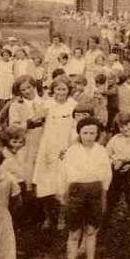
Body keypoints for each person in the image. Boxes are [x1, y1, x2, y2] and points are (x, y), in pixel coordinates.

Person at [60, 117, 112, 259]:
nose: (88, 137)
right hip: (76, 192)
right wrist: (65, 195)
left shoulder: (102, 151)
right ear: (79, 133)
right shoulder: (72, 152)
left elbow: (106, 175)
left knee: (91, 231)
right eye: (85, 133)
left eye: (92, 133)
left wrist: (103, 196)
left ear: (97, 134)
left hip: (95, 192)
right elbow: (65, 175)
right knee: (74, 233)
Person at [32, 77, 76, 230]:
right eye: (58, 89)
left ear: (68, 90)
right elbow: (35, 117)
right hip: (48, 145)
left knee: (63, 183)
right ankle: (47, 217)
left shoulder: (73, 105)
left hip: (65, 146)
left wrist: (70, 147)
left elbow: (75, 128)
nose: (61, 92)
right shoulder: (47, 104)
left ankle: (62, 218)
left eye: (64, 89)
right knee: (45, 182)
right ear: (53, 90)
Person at [103, 112, 130, 235]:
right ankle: (103, 229)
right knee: (110, 199)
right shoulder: (115, 140)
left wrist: (129, 162)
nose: (125, 129)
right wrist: (114, 161)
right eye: (121, 126)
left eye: (128, 125)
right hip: (116, 172)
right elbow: (106, 155)